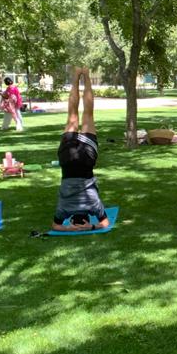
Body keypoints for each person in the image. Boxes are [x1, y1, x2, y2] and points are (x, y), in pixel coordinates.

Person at [52, 67, 110, 232]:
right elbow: (55, 226)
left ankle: (85, 75)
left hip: (86, 159)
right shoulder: (63, 210)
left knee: (88, 115)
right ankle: (78, 75)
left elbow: (104, 224)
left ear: (88, 217)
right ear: (70, 219)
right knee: (72, 115)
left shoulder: (94, 205)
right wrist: (70, 228)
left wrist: (91, 226)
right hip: (67, 159)